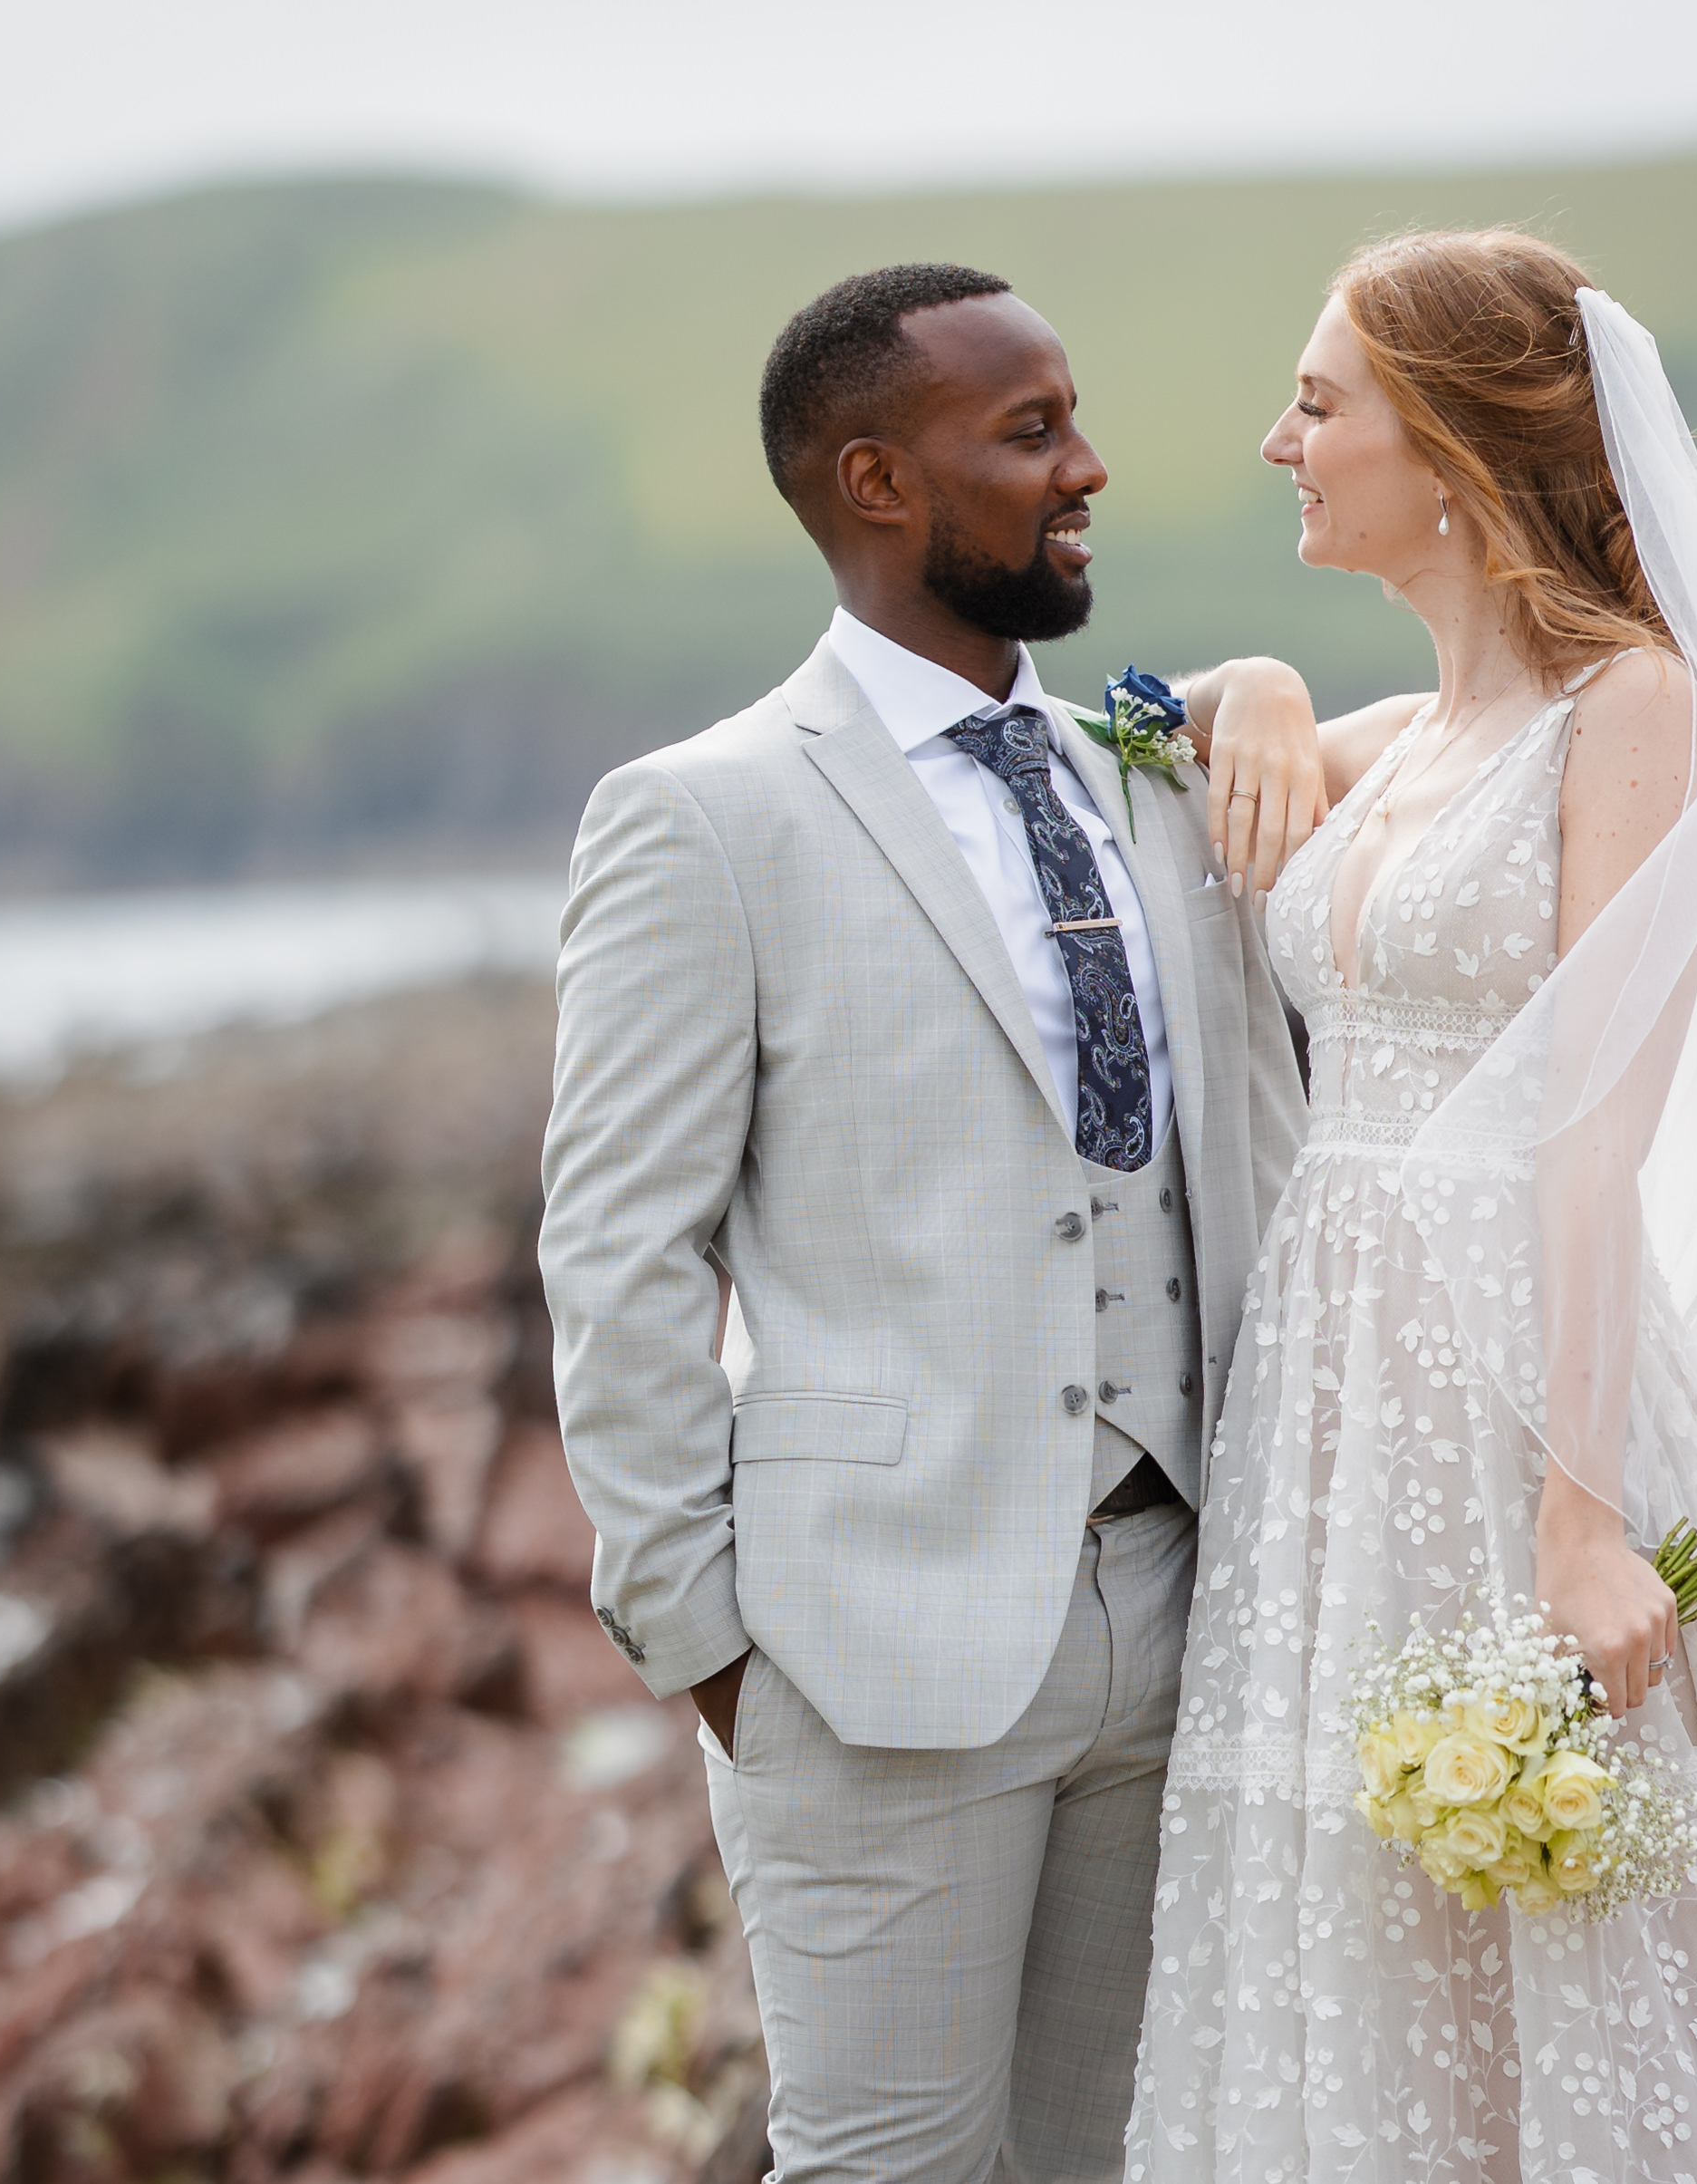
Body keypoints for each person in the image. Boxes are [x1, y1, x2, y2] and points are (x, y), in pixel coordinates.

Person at [1128, 231, 1697, 2180]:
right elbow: (1137, 720)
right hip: (1329, 1402)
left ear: (1449, 444)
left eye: (1316, 403)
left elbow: (1586, 1128)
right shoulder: (1400, 741)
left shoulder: (1622, 707)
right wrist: (1264, 679)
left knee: (1592, 1912)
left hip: (1520, 1379)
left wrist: (1576, 1511)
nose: (1273, 440)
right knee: (1369, 1915)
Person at [535, 264, 1309, 2184]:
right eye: (1030, 430)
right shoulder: (698, 816)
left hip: (1179, 1600)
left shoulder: (1150, 760)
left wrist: (1269, 679)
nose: (1088, 465)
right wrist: (704, 1636)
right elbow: (613, 1253)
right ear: (876, 480)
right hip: (861, 1648)